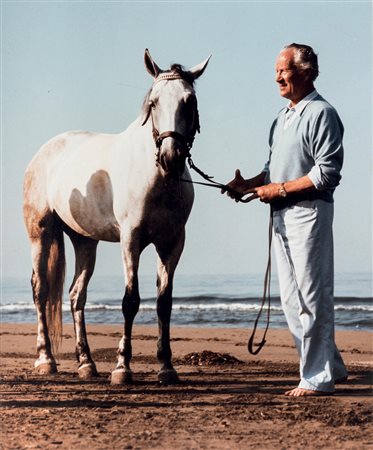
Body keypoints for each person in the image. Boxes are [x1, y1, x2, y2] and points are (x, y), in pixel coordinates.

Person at [224, 43, 348, 396]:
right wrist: (248, 184)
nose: (277, 76)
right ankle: (332, 367)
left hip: (310, 213)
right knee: (292, 301)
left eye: (284, 69)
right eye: (276, 70)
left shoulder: (323, 114)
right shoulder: (282, 117)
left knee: (312, 296)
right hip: (281, 216)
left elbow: (327, 174)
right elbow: (270, 170)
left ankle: (317, 379)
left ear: (306, 72)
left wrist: (278, 189)